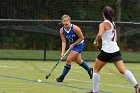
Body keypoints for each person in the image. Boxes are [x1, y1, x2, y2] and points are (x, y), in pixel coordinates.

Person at [87, 6, 140, 93]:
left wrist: (95, 41)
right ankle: (137, 86)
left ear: (103, 14)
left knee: (95, 70)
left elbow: (100, 34)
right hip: (115, 51)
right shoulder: (113, 23)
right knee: (123, 70)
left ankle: (95, 91)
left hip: (107, 52)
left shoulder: (103, 24)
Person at [56, 14, 93, 82]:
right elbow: (63, 41)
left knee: (68, 59)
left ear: (70, 21)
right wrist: (62, 52)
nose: (66, 22)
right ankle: (90, 70)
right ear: (62, 22)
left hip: (79, 44)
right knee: (78, 61)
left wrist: (74, 44)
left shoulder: (75, 28)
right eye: (64, 21)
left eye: (67, 20)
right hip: (73, 45)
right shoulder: (62, 30)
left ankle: (62, 77)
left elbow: (82, 38)